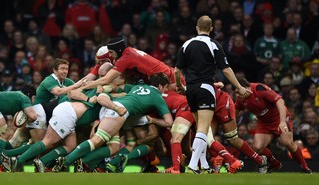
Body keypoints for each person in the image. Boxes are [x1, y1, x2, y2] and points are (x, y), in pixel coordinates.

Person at [174, 15, 250, 174]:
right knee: (203, 128)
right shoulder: (213, 44)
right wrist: (239, 88)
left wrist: (181, 87)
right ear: (211, 29)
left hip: (190, 90)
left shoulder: (186, 44)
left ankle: (204, 165)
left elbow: (176, 71)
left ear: (196, 28)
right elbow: (226, 70)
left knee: (202, 129)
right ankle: (193, 166)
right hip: (205, 89)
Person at [53, 72, 173, 170]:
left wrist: (102, 88)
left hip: (109, 107)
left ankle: (86, 162)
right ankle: (66, 161)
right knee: (97, 140)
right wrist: (153, 120)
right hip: (117, 111)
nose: (165, 91)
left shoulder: (137, 87)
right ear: (161, 86)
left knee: (114, 147)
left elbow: (115, 88)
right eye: (166, 87)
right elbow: (169, 122)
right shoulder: (158, 97)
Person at [234, 77, 312, 174]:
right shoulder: (241, 99)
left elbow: (280, 102)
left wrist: (282, 122)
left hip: (279, 117)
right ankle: (275, 163)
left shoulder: (259, 89)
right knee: (257, 147)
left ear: (245, 87)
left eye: (238, 92)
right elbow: (233, 114)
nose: (237, 95)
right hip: (264, 122)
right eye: (235, 93)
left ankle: (305, 168)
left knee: (287, 142)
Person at [79, 37, 185, 91]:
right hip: (167, 77)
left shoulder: (125, 58)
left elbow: (106, 79)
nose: (110, 55)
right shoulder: (129, 51)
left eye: (111, 52)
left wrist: (86, 86)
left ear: (118, 50)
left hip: (170, 82)